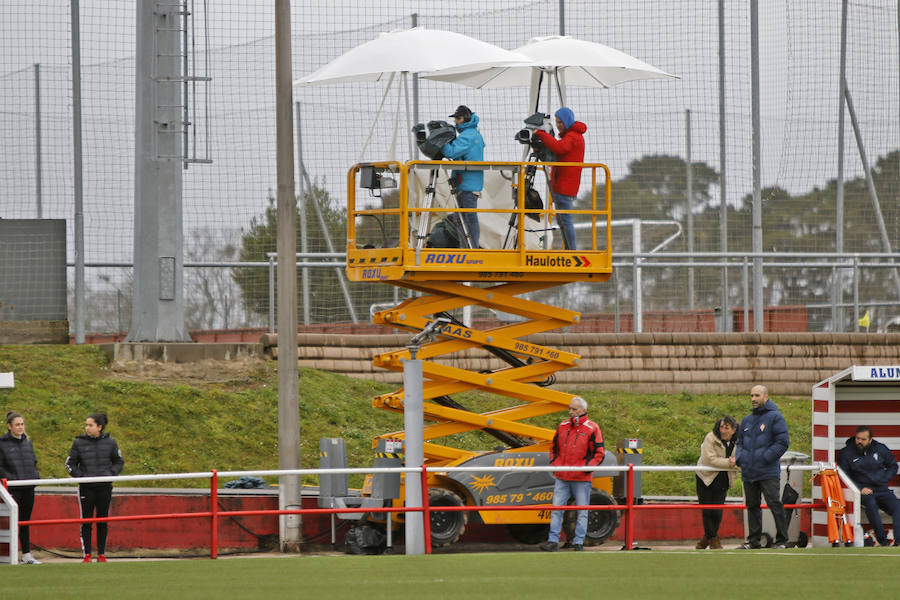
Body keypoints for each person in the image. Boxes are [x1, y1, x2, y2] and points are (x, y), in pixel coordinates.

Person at [539, 396, 605, 552]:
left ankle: (578, 542)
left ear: (583, 410)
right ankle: (553, 541)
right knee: (556, 509)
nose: (571, 412)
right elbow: (553, 448)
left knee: (582, 511)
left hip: (581, 478)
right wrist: (556, 465)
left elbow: (599, 453)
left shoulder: (592, 428)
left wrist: (585, 468)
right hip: (562, 477)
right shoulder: (562, 426)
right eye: (570, 409)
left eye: (574, 409)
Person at [735, 384, 790, 549]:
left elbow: (782, 442)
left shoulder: (775, 417)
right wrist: (741, 459)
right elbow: (740, 443)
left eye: (757, 395)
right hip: (749, 471)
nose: (753, 399)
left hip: (768, 471)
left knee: (774, 503)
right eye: (751, 395)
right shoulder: (747, 420)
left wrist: (765, 458)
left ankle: (782, 540)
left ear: (766, 397)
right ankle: (753, 541)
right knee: (752, 506)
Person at [65, 412, 124, 563]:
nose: (87, 428)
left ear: (100, 427)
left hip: (104, 487)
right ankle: (87, 555)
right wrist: (81, 477)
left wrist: (110, 474)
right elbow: (70, 464)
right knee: (86, 520)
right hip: (86, 488)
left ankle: (102, 554)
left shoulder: (111, 442)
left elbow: (119, 462)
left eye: (90, 425)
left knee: (103, 520)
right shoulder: (78, 443)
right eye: (86, 425)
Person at [532, 106, 587, 250]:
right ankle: (570, 248)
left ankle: (571, 249)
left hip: (565, 186)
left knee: (566, 220)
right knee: (563, 220)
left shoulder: (573, 137)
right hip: (563, 185)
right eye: (556, 122)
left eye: (560, 122)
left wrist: (540, 134)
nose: (558, 125)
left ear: (567, 121)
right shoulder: (572, 136)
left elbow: (559, 148)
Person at [837, 425, 900, 546]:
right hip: (862, 491)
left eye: (863, 439)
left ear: (870, 439)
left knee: (898, 507)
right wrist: (859, 488)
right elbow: (843, 475)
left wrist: (883, 479)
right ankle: (883, 540)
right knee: (871, 504)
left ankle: (898, 541)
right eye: (858, 438)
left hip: (881, 489)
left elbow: (893, 466)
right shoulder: (846, 453)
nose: (859, 441)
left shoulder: (880, 449)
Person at [0, 411, 42, 564]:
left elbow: (34, 461)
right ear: (9, 426)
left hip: (28, 488)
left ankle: (26, 554)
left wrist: (35, 477)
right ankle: (10, 554)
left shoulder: (27, 442)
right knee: (10, 522)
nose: (20, 427)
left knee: (25, 521)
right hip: (12, 488)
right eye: (17, 424)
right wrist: (11, 480)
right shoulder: (2, 443)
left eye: (22, 424)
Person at [441, 105, 485, 249]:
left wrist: (441, 141)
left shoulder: (467, 136)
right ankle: (468, 247)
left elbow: (451, 152)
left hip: (466, 184)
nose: (456, 122)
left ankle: (470, 249)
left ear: (466, 118)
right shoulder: (474, 134)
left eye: (458, 119)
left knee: (467, 218)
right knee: (463, 218)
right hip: (469, 183)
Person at [694, 416, 738, 549]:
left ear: (734, 430)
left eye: (727, 428)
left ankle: (706, 539)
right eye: (721, 427)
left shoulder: (740, 441)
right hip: (705, 478)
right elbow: (709, 460)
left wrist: (735, 463)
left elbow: (743, 460)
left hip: (723, 479)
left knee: (718, 511)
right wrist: (730, 463)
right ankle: (714, 540)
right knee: (707, 510)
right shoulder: (710, 438)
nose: (723, 430)